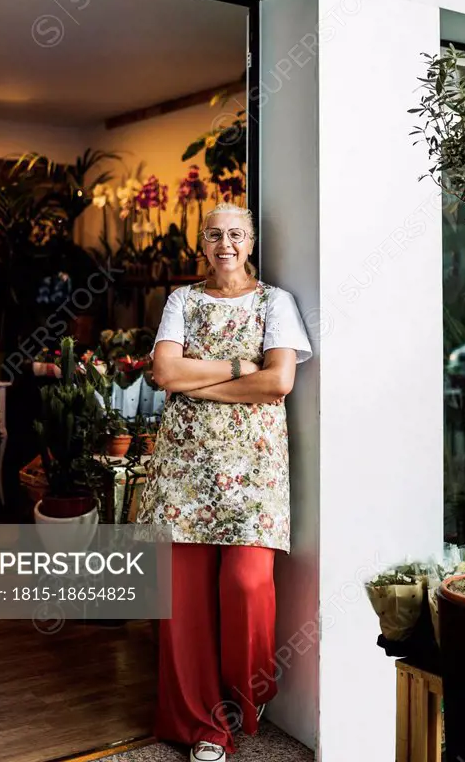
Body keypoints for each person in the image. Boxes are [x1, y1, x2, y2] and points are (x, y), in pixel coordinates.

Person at [136, 202, 312, 762]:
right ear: (202, 243)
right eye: (214, 235)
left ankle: (242, 699)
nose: (225, 244)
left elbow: (278, 381)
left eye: (236, 233)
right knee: (182, 605)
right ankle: (202, 726)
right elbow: (165, 372)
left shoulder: (276, 303)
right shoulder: (180, 301)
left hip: (255, 471)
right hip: (183, 471)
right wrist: (241, 366)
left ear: (253, 241)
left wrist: (201, 379)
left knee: (247, 584)